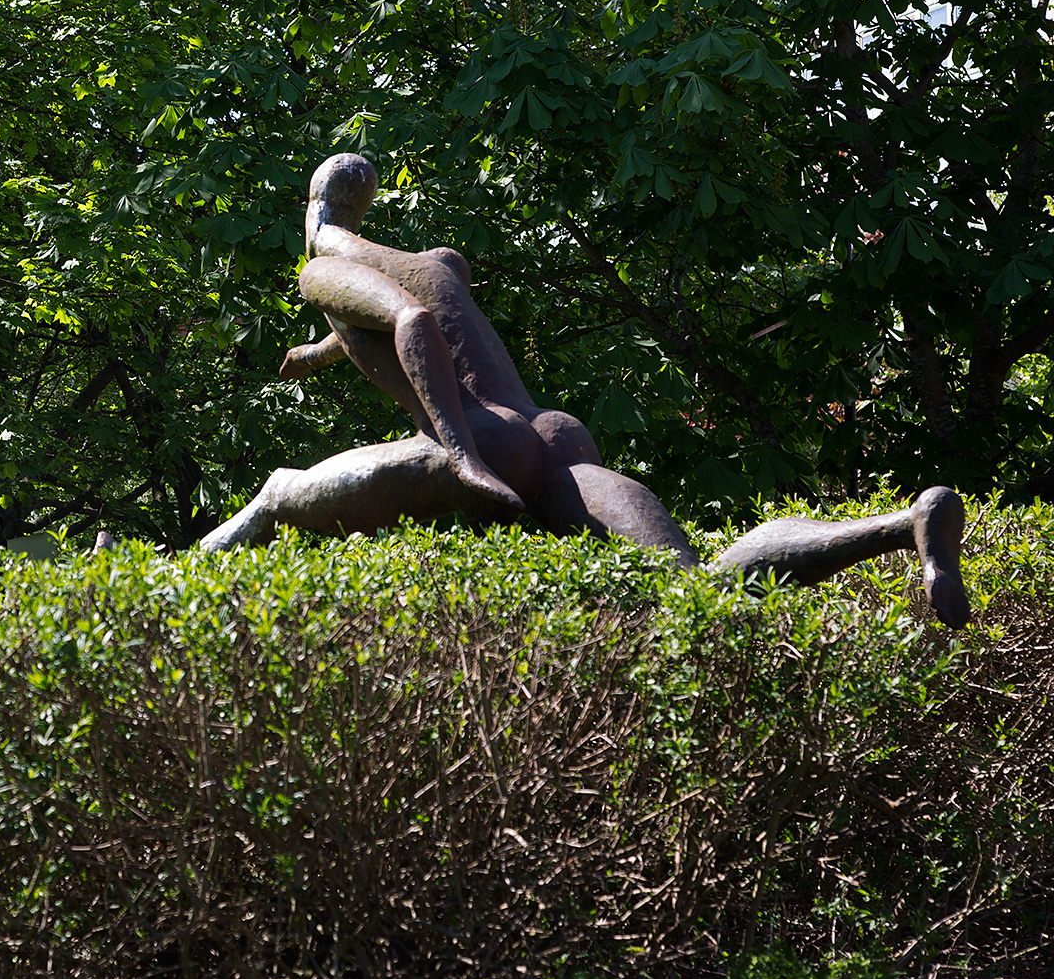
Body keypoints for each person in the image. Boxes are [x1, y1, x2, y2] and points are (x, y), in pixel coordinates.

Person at [199, 154, 970, 630]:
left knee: (276, 497)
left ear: (312, 206)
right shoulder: (430, 258)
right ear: (366, 204)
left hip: (485, 442)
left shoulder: (322, 266)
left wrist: (462, 455)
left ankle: (179, 575)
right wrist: (319, 352)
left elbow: (405, 326)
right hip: (554, 438)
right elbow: (415, 308)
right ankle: (903, 524)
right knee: (694, 591)